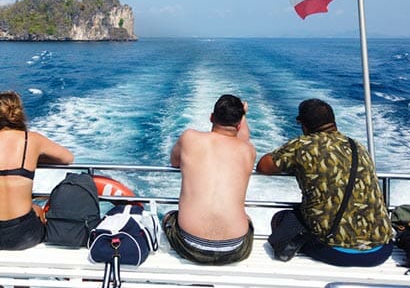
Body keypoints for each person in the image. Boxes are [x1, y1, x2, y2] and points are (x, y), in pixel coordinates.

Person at [256, 98, 393, 267]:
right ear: (333, 121)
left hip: (336, 252)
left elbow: (263, 166)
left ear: (302, 124)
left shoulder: (302, 146)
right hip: (381, 250)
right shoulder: (357, 146)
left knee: (282, 218)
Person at [0, 90, 74, 250]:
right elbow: (67, 158)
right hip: (22, 235)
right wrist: (34, 158)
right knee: (37, 208)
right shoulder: (32, 139)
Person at [163, 94, 256, 265]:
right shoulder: (248, 151)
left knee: (168, 216)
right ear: (240, 123)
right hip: (234, 248)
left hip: (189, 245)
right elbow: (242, 139)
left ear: (211, 117)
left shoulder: (189, 138)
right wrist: (243, 114)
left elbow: (174, 162)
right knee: (247, 219)